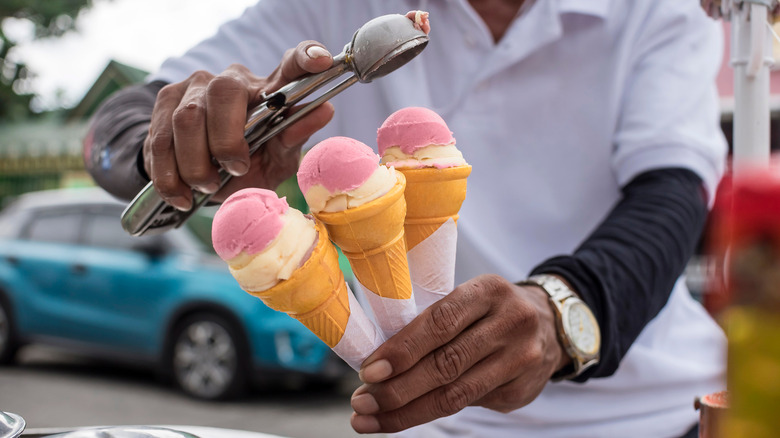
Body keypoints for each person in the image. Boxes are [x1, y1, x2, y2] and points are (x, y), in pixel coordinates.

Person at [84, 1, 727, 436]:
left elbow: (674, 196)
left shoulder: (659, 12)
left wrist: (560, 313)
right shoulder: (330, 9)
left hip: (654, 413)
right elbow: (112, 135)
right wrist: (191, 144)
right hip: (434, 420)